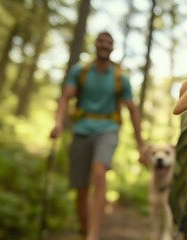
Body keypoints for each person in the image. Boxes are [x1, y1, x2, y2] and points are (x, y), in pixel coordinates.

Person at [50, 31, 145, 240]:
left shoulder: (121, 78)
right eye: (101, 41)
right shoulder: (80, 71)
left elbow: (133, 110)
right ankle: (85, 230)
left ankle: (93, 235)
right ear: (95, 44)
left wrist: (141, 145)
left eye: (108, 42)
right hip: (81, 130)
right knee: (81, 189)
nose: (104, 44)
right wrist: (58, 124)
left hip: (108, 129)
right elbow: (65, 98)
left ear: (113, 47)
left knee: (99, 172)